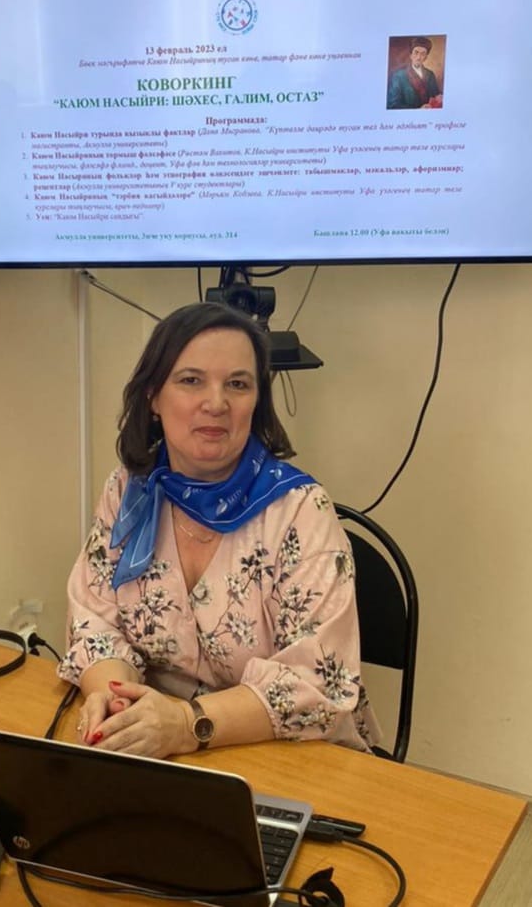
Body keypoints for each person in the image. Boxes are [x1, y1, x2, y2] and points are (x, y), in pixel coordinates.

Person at [58, 301, 380, 758]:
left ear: (256, 401)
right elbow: (93, 620)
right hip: (159, 750)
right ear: (153, 396)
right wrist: (114, 702)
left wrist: (185, 725)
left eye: (237, 384)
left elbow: (316, 681)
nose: (216, 403)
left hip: (293, 755)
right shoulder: (128, 491)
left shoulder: (301, 512)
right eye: (191, 380)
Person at [387, 36, 443, 109]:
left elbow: (436, 97)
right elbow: (393, 105)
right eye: (416, 52)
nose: (419, 57)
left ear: (426, 57)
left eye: (423, 54)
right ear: (411, 55)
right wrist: (418, 109)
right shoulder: (399, 76)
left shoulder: (430, 74)